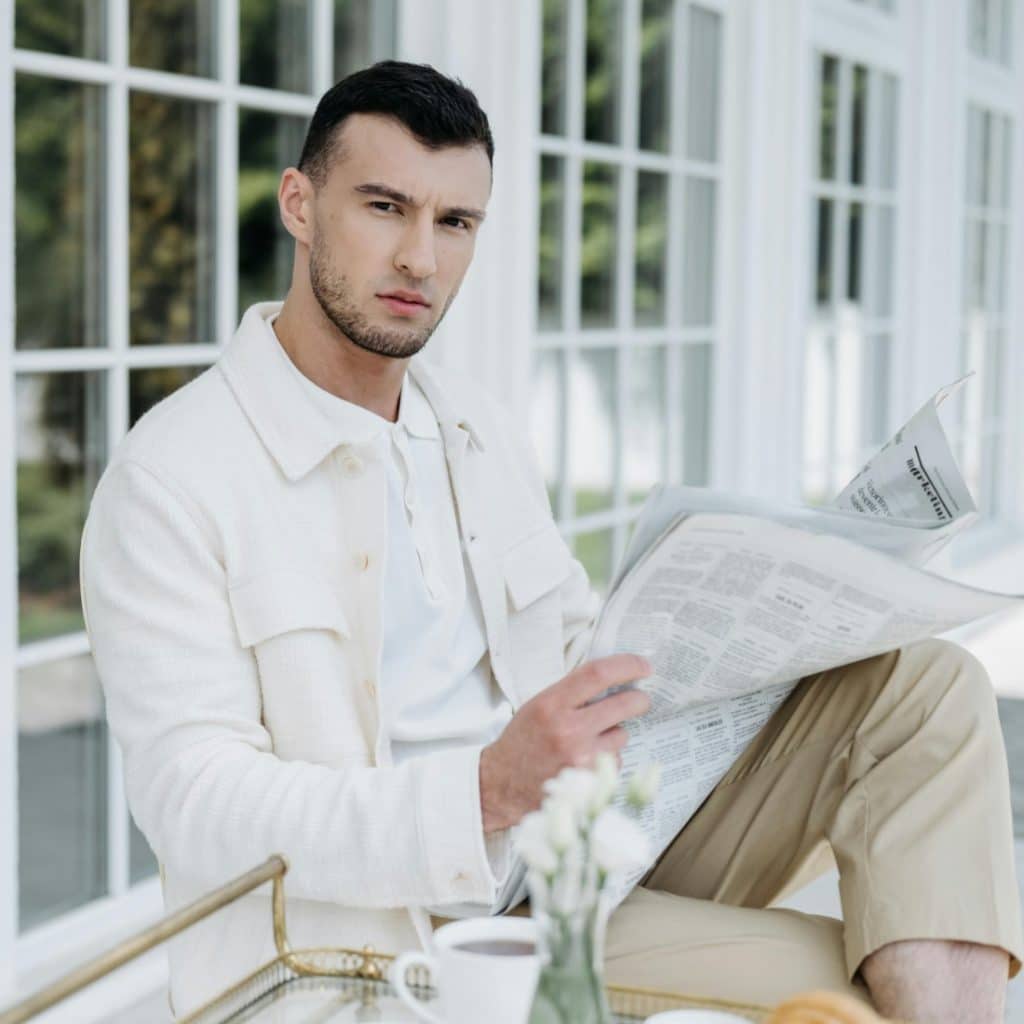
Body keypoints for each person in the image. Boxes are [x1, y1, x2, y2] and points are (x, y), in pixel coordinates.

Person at [80, 60, 1021, 1022]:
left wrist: (773, 621)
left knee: (927, 684)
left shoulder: (474, 428)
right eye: (384, 207)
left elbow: (576, 651)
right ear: (300, 204)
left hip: (577, 854)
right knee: (850, 992)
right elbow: (195, 806)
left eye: (455, 223)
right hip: (400, 943)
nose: (420, 258)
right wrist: (482, 791)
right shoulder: (173, 479)